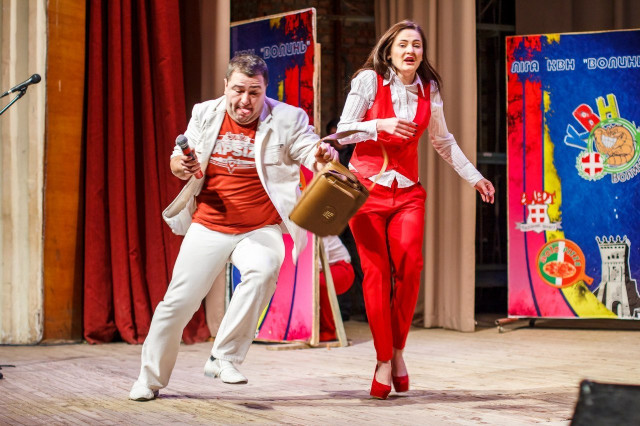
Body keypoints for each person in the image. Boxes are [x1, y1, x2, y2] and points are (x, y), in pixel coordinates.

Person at [129, 54, 338, 401]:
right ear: (226, 86)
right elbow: (178, 161)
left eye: (254, 92)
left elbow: (308, 149)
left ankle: (223, 357)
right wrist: (181, 164)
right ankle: (149, 379)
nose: (245, 100)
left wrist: (321, 155)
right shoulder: (205, 113)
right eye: (238, 90)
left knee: (264, 268)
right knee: (177, 303)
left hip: (260, 226)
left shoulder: (288, 118)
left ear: (265, 89)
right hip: (210, 224)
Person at [336, 20, 495, 399]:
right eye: (403, 44)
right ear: (389, 50)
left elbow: (442, 140)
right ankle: (382, 360)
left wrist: (474, 177)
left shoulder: (429, 88)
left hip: (408, 191)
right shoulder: (369, 81)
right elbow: (343, 131)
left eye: (417, 45)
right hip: (366, 190)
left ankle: (398, 350)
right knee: (376, 274)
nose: (411, 51)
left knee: (410, 267)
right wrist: (380, 124)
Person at [318, 235, 355, 342]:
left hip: (342, 268)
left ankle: (328, 331)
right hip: (323, 269)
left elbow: (320, 263)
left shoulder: (319, 228)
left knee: (320, 281)